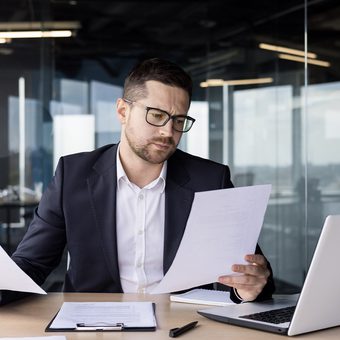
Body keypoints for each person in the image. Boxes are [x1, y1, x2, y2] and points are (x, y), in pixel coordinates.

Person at [1, 58, 274, 305]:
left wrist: (247, 288)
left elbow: (253, 272)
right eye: (156, 115)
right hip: (95, 327)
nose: (168, 131)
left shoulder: (210, 179)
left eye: (179, 120)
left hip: (184, 326)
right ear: (122, 111)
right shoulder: (73, 175)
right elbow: (31, 263)